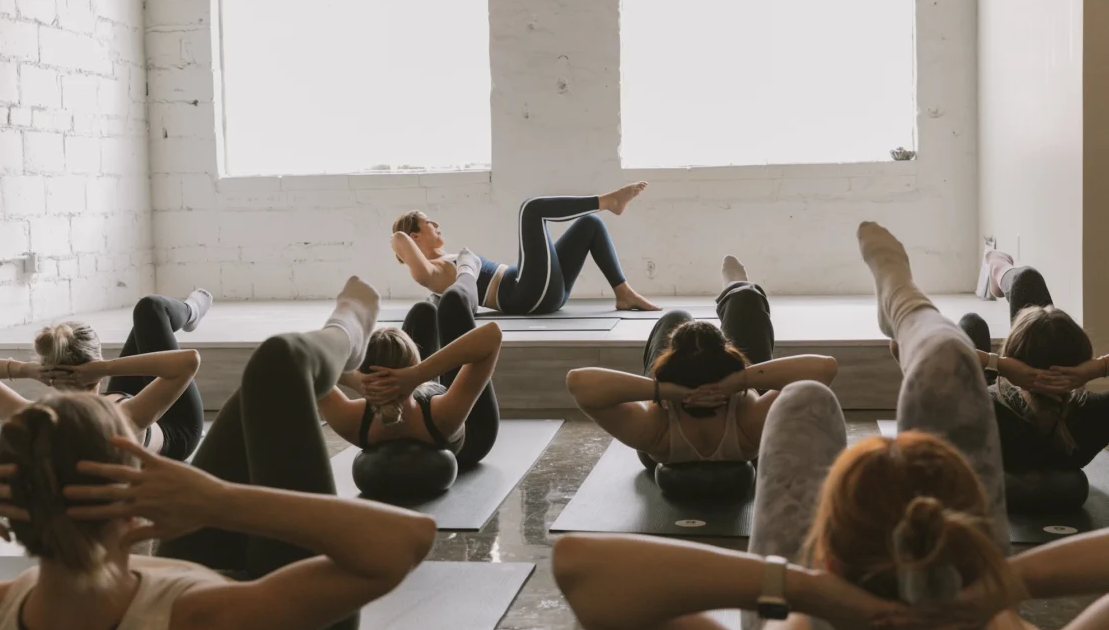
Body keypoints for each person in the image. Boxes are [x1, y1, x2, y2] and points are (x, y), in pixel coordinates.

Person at [550, 222, 1109, 630]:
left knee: (806, 402)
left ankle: (902, 301)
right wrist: (1002, 584)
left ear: (828, 558)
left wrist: (809, 593)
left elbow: (580, 567)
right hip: (958, 593)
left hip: (818, 615)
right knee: (941, 371)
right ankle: (902, 297)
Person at [0, 276, 438, 630]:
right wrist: (216, 501)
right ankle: (348, 332)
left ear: (9, 505)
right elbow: (406, 539)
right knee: (278, 365)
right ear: (133, 509)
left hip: (144, 577)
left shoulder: (1, 611)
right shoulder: (199, 622)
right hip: (207, 595)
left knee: (271, 372)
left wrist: (26, 373)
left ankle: (347, 334)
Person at [565, 255, 837, 465]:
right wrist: (740, 380)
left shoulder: (651, 426)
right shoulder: (752, 418)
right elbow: (824, 368)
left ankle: (732, 291)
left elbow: (578, 382)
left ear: (667, 371)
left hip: (664, 442)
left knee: (674, 318)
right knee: (746, 299)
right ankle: (736, 285)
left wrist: (663, 390)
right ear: (731, 361)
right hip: (743, 439)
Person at [0, 291, 211, 461]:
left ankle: (191, 310)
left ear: (49, 376)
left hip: (127, 401)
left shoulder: (34, 419)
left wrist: (24, 370)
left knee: (149, 316)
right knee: (150, 309)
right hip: (177, 428)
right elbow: (189, 361)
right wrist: (106, 368)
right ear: (96, 361)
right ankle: (191, 309)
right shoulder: (120, 420)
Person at [320, 263, 502, 469]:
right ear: (414, 362)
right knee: (454, 303)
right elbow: (492, 335)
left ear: (362, 367)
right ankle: (467, 271)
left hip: (416, 408)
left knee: (423, 311)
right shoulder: (444, 414)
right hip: (470, 443)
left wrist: (357, 381)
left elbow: (307, 361)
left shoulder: (350, 419)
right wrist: (417, 375)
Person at [389, 183, 659, 315]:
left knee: (589, 224)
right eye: (428, 222)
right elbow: (405, 248)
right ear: (414, 236)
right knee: (531, 210)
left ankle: (623, 294)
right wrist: (399, 239)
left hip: (541, 290)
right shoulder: (433, 272)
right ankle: (607, 201)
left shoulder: (446, 260)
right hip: (525, 296)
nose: (436, 224)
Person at [957, 247, 1109, 472]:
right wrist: (1099, 367)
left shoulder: (983, 409)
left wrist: (998, 363)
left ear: (1014, 361)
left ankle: (997, 266)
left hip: (997, 407)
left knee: (972, 324)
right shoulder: (1095, 415)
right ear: (1080, 362)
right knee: (1030, 285)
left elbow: (918, 348)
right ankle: (998, 270)